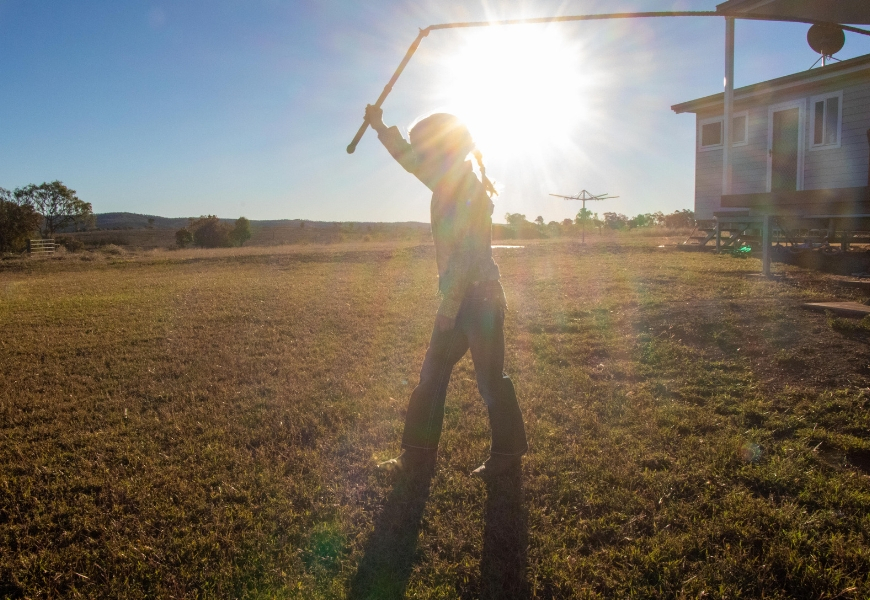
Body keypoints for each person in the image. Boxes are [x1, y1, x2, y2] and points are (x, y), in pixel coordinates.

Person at [364, 105, 528, 477]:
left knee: (490, 380)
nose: (421, 155)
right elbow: (409, 160)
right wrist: (380, 126)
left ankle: (507, 454)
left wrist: (449, 306)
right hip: (465, 297)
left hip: (480, 300)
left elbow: (468, 255)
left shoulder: (465, 188)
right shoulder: (447, 180)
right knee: (432, 376)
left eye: (426, 147)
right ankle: (417, 454)